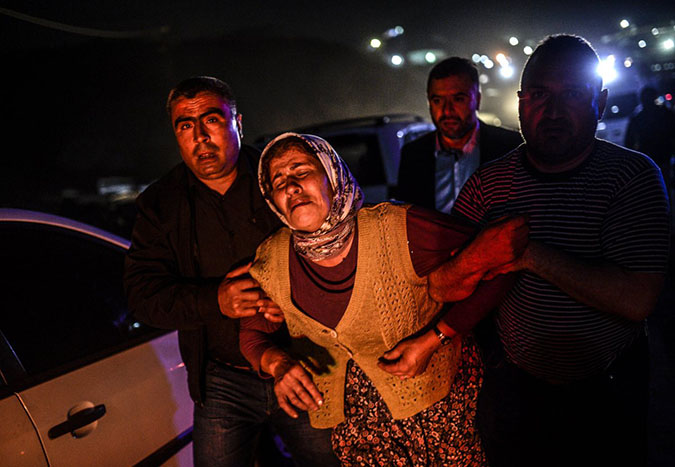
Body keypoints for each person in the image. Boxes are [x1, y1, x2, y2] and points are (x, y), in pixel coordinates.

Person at [447, 35, 671, 467]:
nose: (552, 111)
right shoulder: (487, 185)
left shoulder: (631, 177)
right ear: (520, 104)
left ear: (600, 103)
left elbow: (637, 298)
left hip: (608, 392)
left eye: (571, 95)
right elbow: (446, 277)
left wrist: (527, 254)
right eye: (538, 95)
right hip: (514, 388)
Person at [239, 132, 528, 466]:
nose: (291, 187)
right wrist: (278, 365)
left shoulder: (398, 228)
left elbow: (504, 259)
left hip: (442, 415)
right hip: (360, 432)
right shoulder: (273, 259)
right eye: (278, 182)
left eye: (301, 172)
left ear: (333, 175)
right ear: (273, 201)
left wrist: (437, 337)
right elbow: (251, 334)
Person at [123, 77, 338, 466]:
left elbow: (334, 248)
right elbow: (142, 296)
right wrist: (215, 300)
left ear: (238, 122)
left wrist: (291, 301)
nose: (200, 138)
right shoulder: (161, 203)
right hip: (223, 379)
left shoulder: (277, 176)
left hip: (306, 362)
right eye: (185, 126)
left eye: (212, 120)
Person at [396, 56, 522, 213]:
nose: (447, 110)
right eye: (437, 100)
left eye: (458, 99)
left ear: (477, 100)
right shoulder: (413, 154)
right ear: (429, 102)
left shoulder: (511, 147)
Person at [625, 85, 675, 203]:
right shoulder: (665, 113)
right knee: (665, 186)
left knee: (650, 189)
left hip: (647, 157)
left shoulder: (638, 117)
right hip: (663, 155)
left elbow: (629, 140)